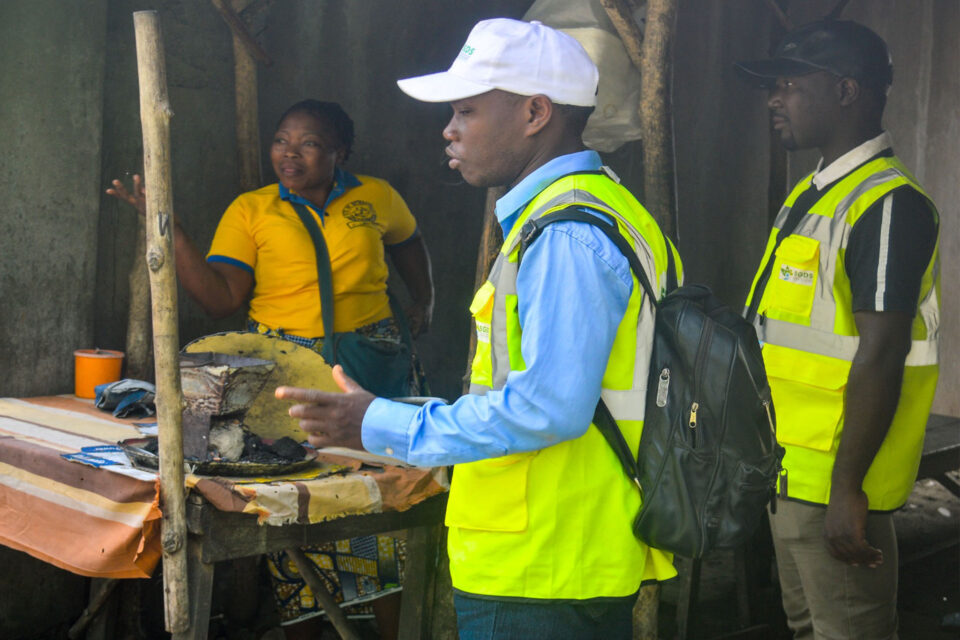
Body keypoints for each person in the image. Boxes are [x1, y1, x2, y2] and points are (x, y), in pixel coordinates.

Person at [276, 18, 681, 639]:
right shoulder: (594, 211)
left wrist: (379, 421)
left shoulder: (568, 233)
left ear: (535, 112)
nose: (449, 129)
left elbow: (548, 408)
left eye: (466, 110)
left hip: (542, 565)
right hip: (554, 555)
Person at [107, 100, 434, 639]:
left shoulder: (375, 197)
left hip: (375, 368)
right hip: (290, 372)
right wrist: (171, 230)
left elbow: (409, 241)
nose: (289, 153)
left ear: (339, 152)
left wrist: (426, 299)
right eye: (282, 140)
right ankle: (309, 623)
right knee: (296, 503)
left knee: (380, 506)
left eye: (308, 143)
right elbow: (219, 299)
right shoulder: (252, 210)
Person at [735, 20, 940, 640]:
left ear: (847, 92)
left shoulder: (886, 203)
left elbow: (882, 350)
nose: (775, 99)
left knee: (848, 631)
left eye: (789, 85)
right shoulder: (820, 191)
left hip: (834, 482)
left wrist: (848, 489)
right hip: (791, 471)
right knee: (807, 627)